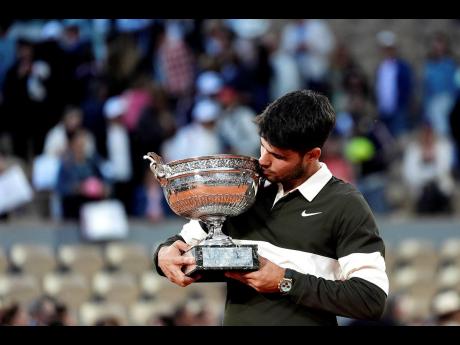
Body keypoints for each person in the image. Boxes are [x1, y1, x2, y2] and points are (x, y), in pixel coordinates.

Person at [153, 90, 389, 326]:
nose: (264, 160)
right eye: (263, 147)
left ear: (311, 155)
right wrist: (164, 254)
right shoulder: (244, 189)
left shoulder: (344, 203)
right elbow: (182, 243)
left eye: (278, 155)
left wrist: (284, 281)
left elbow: (371, 299)